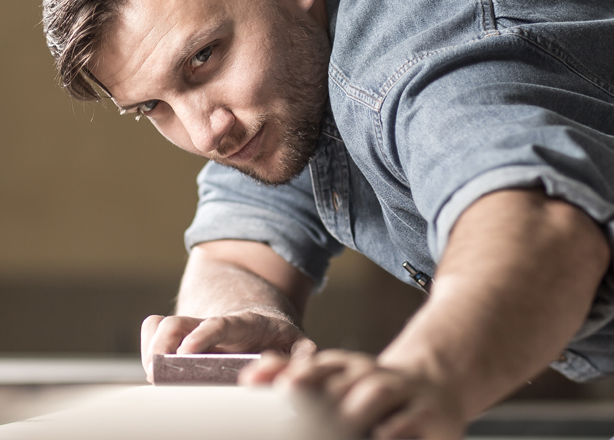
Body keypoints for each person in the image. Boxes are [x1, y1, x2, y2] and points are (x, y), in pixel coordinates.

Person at [42, 0, 614, 437]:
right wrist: (239, 321)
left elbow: (537, 223)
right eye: (153, 107)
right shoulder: (286, 86)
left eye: (202, 58)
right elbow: (236, 249)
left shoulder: (413, 51)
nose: (205, 133)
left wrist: (425, 376)